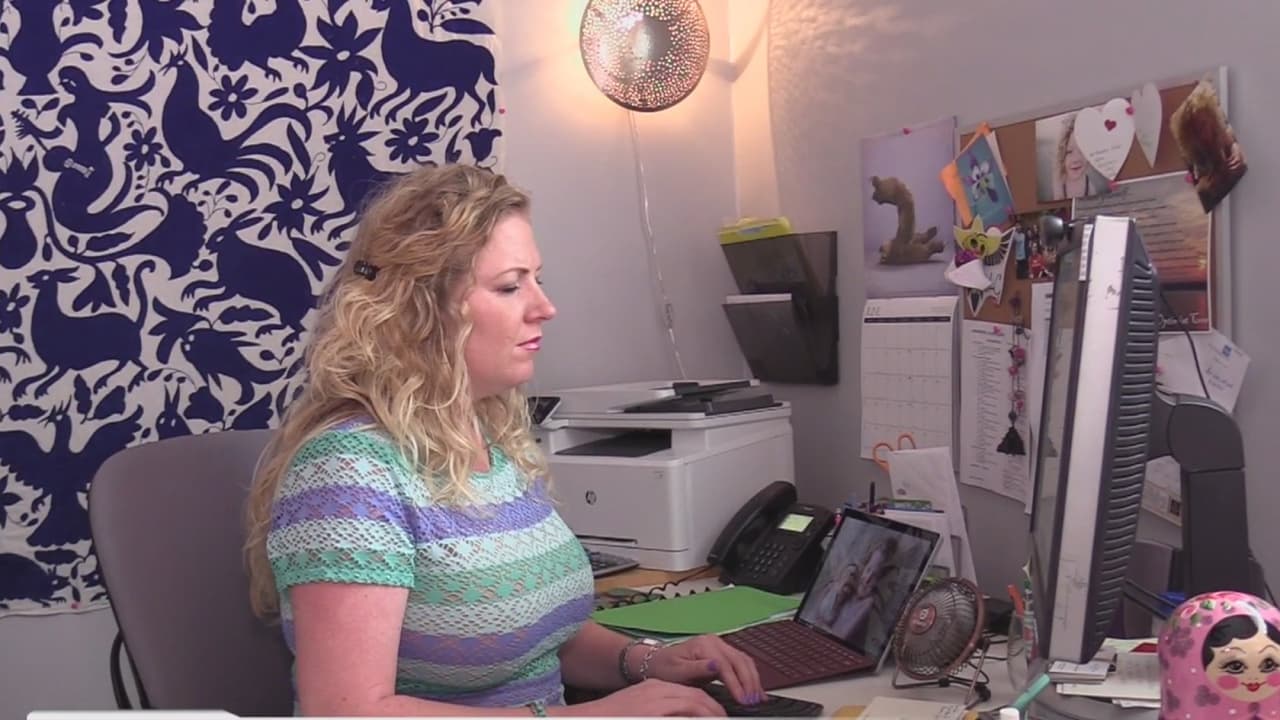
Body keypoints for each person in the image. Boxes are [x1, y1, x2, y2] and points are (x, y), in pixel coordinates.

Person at [242, 164, 763, 717]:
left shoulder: (492, 439)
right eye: (511, 286)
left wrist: (649, 661)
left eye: (538, 279)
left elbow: (537, 640)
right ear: (420, 309)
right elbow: (345, 711)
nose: (544, 307)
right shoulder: (348, 472)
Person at [813, 538, 899, 647]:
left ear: (879, 581)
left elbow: (839, 637)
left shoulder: (868, 603)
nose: (867, 579)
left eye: (875, 576)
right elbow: (816, 614)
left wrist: (820, 624)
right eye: (868, 570)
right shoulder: (849, 585)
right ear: (863, 567)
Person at [1056, 114, 1096, 200]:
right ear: (1062, 156)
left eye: (1082, 151)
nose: (1076, 159)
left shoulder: (1091, 188)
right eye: (1069, 152)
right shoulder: (1059, 185)